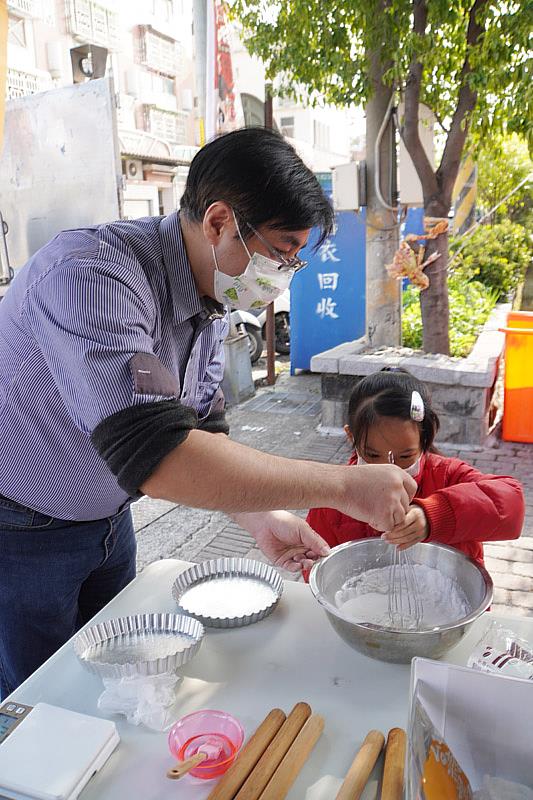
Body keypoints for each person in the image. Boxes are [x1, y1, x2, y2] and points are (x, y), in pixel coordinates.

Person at [0, 128, 416, 697]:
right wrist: (344, 487)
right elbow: (160, 457)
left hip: (109, 521)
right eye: (282, 249)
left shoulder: (211, 300)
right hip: (22, 529)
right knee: (39, 702)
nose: (286, 271)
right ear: (219, 221)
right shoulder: (94, 276)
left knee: (116, 681)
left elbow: (202, 435)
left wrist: (261, 517)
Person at [307, 368, 525, 567]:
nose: (389, 471)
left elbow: (512, 503)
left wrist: (435, 516)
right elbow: (319, 564)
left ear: (425, 440)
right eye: (372, 454)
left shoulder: (447, 475)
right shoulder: (335, 496)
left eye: (405, 456)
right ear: (350, 436)